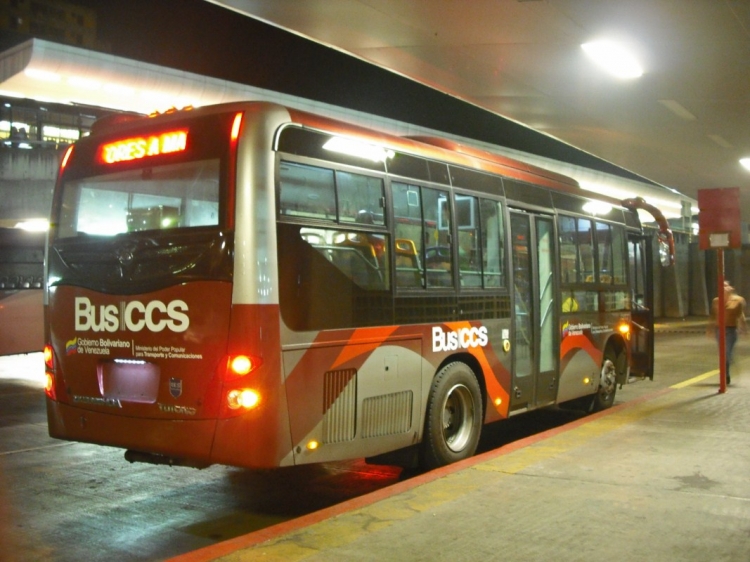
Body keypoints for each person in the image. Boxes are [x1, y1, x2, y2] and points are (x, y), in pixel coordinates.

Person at [708, 281, 747, 384]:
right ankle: (726, 374)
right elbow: (713, 315)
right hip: (719, 329)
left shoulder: (738, 300)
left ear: (731, 288)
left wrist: (744, 328)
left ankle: (726, 371)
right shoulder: (716, 301)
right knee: (722, 354)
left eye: (725, 286)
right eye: (721, 286)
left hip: (731, 330)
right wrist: (710, 328)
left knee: (727, 353)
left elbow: (740, 314)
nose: (723, 288)